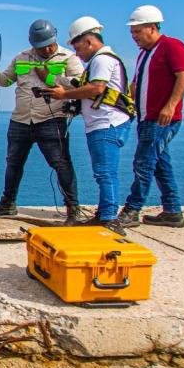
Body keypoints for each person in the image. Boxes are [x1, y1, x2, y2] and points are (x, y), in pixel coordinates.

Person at [0, 19, 85, 224]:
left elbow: (79, 86)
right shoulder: (22, 58)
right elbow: (5, 80)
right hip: (21, 119)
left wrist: (49, 78)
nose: (46, 49)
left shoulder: (69, 58)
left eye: (49, 45)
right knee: (13, 163)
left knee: (61, 164)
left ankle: (73, 208)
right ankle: (7, 203)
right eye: (41, 46)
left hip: (51, 119)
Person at [45, 17, 134, 235]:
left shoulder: (101, 60)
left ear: (89, 41)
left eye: (78, 48)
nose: (77, 54)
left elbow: (97, 88)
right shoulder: (100, 61)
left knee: (105, 172)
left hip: (106, 124)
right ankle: (104, 214)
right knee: (103, 172)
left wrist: (64, 95)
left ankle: (109, 218)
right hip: (103, 123)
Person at [115, 5, 184, 228]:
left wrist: (170, 106)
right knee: (160, 164)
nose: (134, 36)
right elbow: (136, 84)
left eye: (137, 31)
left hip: (161, 119)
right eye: (132, 32)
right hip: (146, 118)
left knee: (143, 163)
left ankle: (132, 210)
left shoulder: (172, 46)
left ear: (152, 27)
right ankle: (172, 211)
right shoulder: (143, 54)